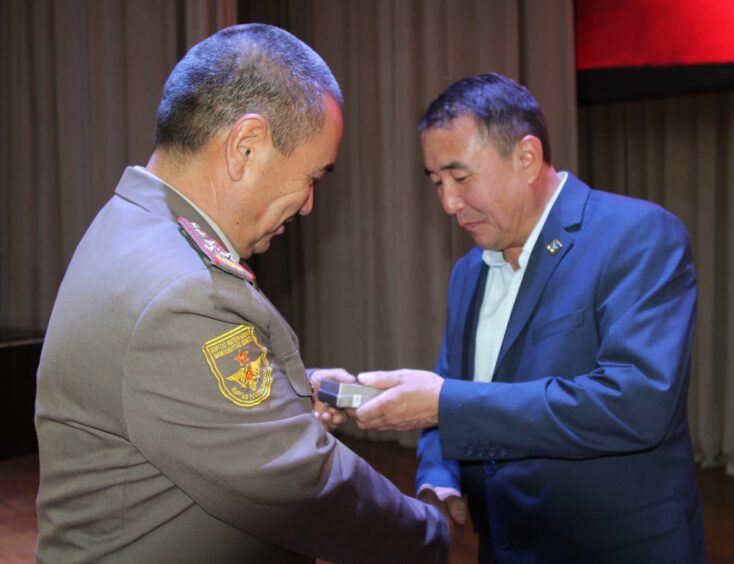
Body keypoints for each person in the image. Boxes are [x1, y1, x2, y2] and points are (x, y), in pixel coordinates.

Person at [34, 24, 449, 564]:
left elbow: (179, 392)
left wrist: (293, 392)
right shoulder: (183, 293)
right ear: (245, 146)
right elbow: (305, 486)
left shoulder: (136, 222)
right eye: (313, 176)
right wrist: (432, 531)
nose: (308, 205)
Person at [349, 73, 705, 563]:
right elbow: (452, 391)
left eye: (460, 178)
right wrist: (439, 477)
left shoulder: (637, 236)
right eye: (436, 183)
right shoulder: (468, 272)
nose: (449, 203)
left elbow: (637, 404)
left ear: (527, 158)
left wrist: (445, 405)